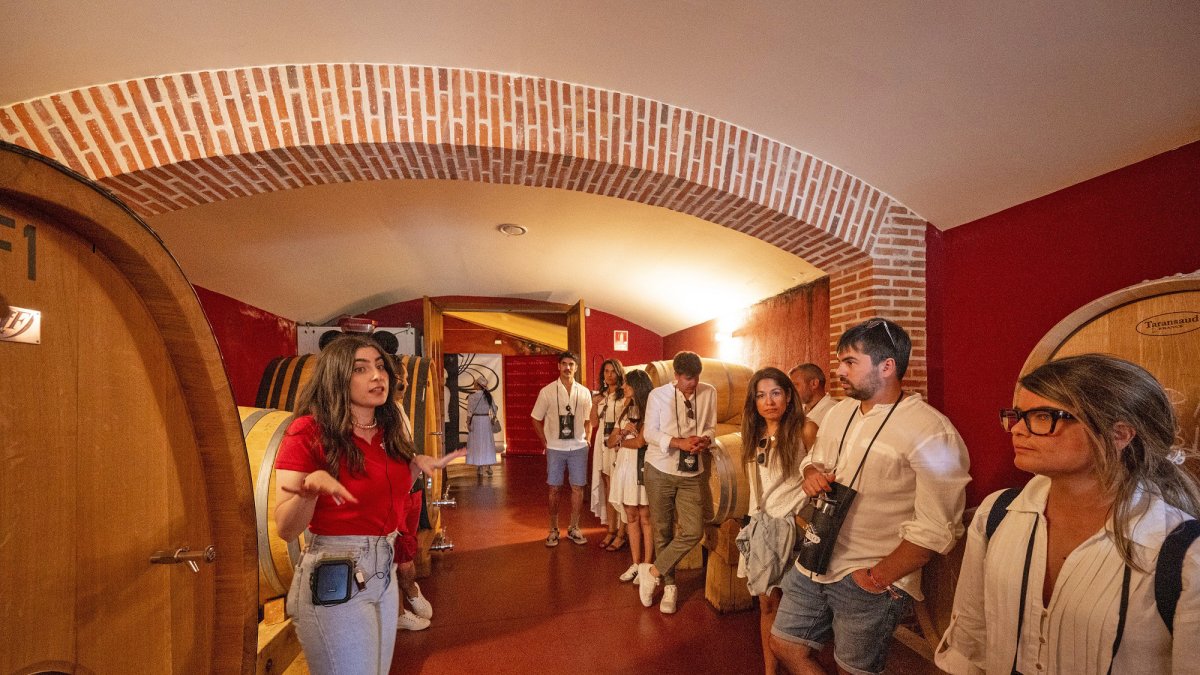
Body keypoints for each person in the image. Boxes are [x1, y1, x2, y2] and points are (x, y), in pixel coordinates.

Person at [936, 354, 1200, 675]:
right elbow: (971, 640)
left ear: (1119, 434)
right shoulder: (998, 513)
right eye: (1017, 416)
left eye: (1044, 416)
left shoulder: (1182, 552)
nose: (1017, 430)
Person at [771, 318, 971, 675]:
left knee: (854, 669)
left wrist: (878, 576)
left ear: (887, 366)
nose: (839, 371)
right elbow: (814, 460)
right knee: (784, 644)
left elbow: (938, 527)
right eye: (840, 361)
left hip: (869, 574)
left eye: (850, 362)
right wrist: (811, 473)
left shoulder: (932, 432)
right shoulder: (840, 412)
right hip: (816, 558)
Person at [273, 335, 464, 674]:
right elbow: (286, 528)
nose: (377, 376)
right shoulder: (308, 431)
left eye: (380, 367)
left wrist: (415, 465)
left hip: (382, 571)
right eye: (361, 369)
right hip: (337, 570)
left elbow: (384, 500)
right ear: (337, 377)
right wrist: (309, 488)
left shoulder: (387, 431)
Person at [738, 367, 818, 675]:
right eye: (761, 395)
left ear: (788, 395)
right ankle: (770, 672)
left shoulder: (805, 430)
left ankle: (798, 662)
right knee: (767, 605)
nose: (769, 401)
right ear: (754, 402)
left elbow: (822, 478)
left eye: (775, 393)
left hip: (794, 531)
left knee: (798, 607)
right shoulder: (754, 434)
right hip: (764, 530)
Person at [639, 351, 717, 614]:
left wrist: (705, 440)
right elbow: (649, 432)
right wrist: (678, 442)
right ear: (675, 376)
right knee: (662, 529)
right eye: (686, 379)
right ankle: (670, 585)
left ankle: (653, 571)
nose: (692, 384)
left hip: (692, 473)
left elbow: (711, 427)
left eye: (695, 378)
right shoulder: (657, 395)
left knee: (694, 530)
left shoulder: (709, 392)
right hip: (660, 468)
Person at [531, 350, 593, 547]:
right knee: (554, 488)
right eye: (564, 364)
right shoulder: (547, 391)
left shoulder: (584, 392)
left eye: (571, 364)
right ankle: (553, 528)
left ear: (576, 368)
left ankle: (574, 527)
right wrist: (545, 443)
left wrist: (588, 438)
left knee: (578, 488)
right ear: (558, 366)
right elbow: (535, 418)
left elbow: (588, 419)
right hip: (556, 448)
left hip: (578, 447)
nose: (567, 367)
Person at [392, 362, 435, 630]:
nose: (403, 383)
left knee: (407, 543)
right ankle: (399, 610)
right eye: (398, 378)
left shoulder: (398, 408)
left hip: (411, 483)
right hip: (396, 488)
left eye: (405, 378)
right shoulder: (379, 412)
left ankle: (411, 590)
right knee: (394, 553)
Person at [608, 368, 656, 583]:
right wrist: (620, 434)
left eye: (627, 383)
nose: (623, 386)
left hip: (641, 466)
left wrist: (622, 441)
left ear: (637, 386)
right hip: (625, 469)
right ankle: (636, 564)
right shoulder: (623, 407)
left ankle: (647, 565)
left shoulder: (650, 410)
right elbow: (609, 442)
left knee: (645, 516)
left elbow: (640, 442)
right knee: (630, 515)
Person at [590, 358, 628, 550]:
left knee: (619, 487)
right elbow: (594, 423)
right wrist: (594, 404)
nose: (609, 375)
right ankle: (610, 530)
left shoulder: (625, 396)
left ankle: (622, 533)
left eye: (613, 371)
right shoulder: (600, 396)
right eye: (606, 371)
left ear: (619, 373)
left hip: (619, 444)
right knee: (607, 486)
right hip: (603, 444)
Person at [465, 375, 499, 477]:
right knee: (487, 443)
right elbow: (495, 409)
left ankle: (479, 468)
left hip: (476, 420)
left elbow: (470, 412)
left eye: (475, 383)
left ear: (478, 386)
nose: (474, 385)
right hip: (485, 421)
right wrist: (493, 418)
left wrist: (468, 423)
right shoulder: (488, 396)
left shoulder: (472, 397)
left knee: (477, 444)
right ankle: (488, 467)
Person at [790, 362, 836, 428]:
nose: (791, 390)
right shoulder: (796, 410)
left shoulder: (834, 411)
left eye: (795, 385)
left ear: (814, 384)